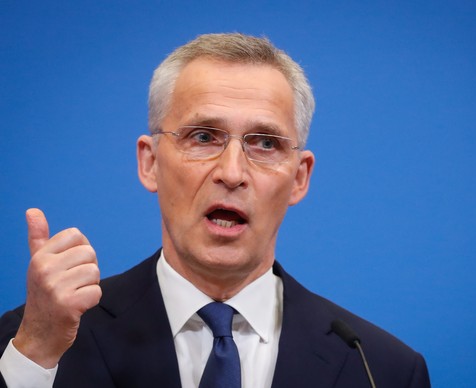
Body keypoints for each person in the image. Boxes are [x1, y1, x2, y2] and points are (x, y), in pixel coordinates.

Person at [0, 33, 430, 387]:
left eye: (265, 143)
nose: (232, 172)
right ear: (150, 163)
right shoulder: (39, 340)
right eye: (204, 137)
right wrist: (36, 352)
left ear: (299, 177)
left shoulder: (381, 368)